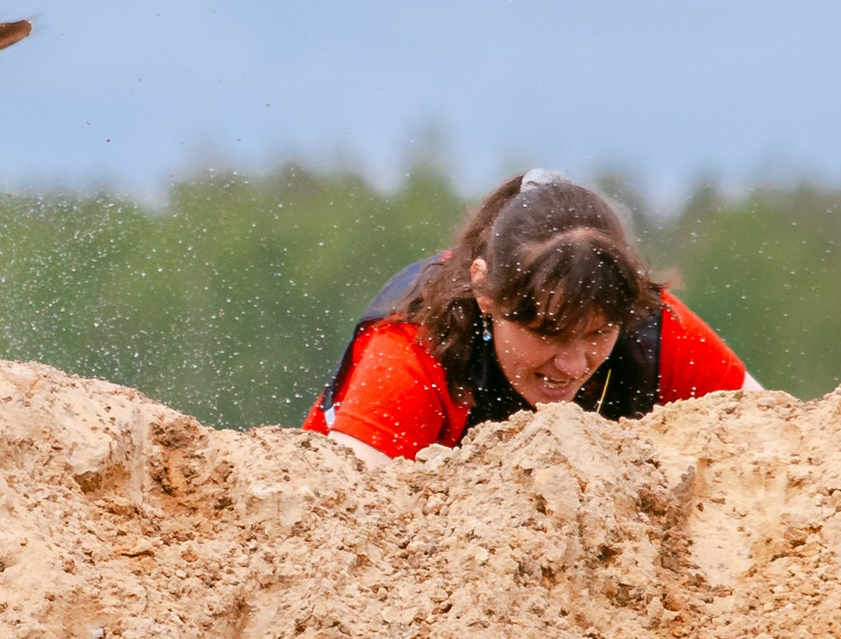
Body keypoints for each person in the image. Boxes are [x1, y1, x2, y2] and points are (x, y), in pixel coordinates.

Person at [303, 169, 755, 463]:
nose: (575, 365)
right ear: (484, 292)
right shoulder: (413, 347)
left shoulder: (652, 325)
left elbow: (783, 447)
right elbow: (343, 526)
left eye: (599, 332)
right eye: (551, 333)